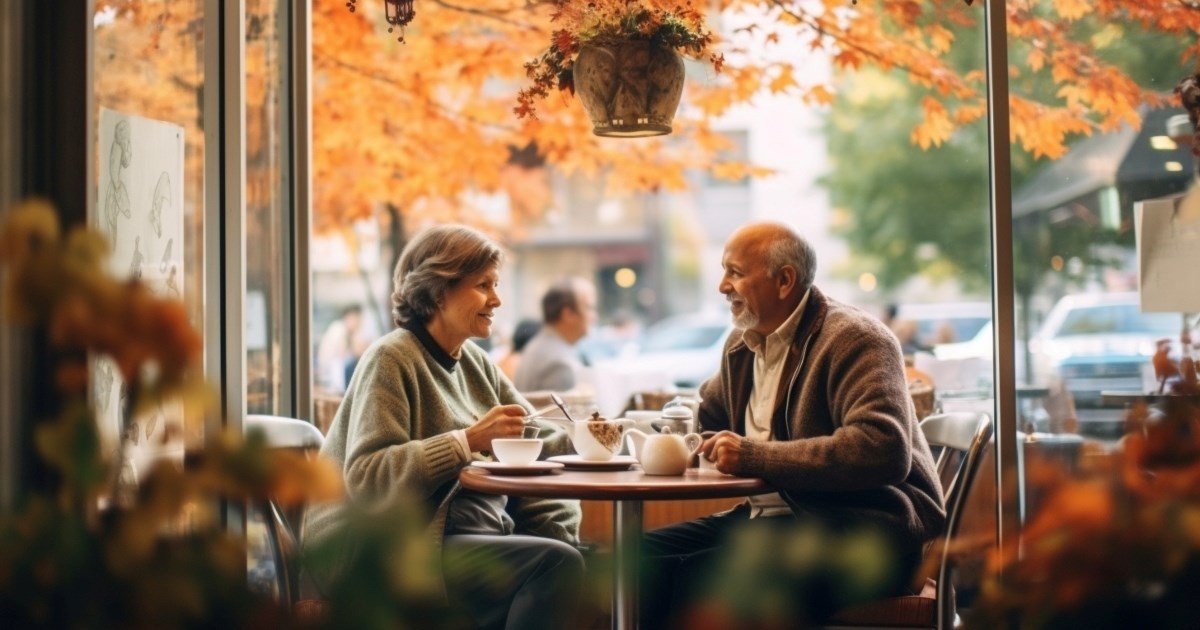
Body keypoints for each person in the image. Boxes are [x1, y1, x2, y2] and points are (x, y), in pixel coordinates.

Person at [640, 222, 946, 627]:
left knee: (690, 580)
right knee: (633, 563)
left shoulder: (856, 339)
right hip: (769, 523)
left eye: (734, 272)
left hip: (866, 537)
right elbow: (710, 417)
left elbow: (882, 448)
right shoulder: (743, 344)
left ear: (785, 280)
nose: (721, 286)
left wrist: (753, 455)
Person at [301, 225, 584, 630]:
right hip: (382, 548)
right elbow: (367, 478)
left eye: (496, 284)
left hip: (460, 537)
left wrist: (597, 444)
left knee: (570, 557)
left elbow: (539, 440)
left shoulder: (474, 361)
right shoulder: (391, 358)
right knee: (554, 565)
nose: (496, 299)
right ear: (438, 291)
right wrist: (466, 441)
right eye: (483, 285)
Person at [513, 276, 597, 392]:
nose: (594, 316)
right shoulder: (559, 362)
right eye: (589, 308)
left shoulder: (542, 346)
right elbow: (566, 410)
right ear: (568, 314)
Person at [315, 304, 369, 392]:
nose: (359, 323)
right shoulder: (338, 328)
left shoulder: (347, 331)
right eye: (357, 318)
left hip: (334, 373)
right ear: (349, 317)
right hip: (329, 375)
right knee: (352, 362)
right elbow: (344, 354)